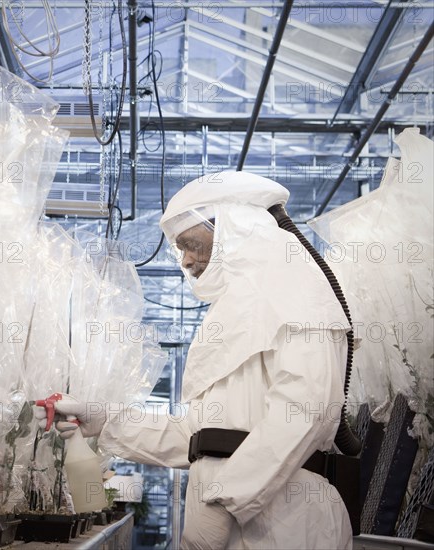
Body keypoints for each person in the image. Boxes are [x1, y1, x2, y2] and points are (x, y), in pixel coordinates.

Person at [36, 171, 353, 549]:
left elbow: (304, 412)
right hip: (233, 514)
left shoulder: (299, 289)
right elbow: (199, 435)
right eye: (180, 248)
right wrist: (105, 421)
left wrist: (227, 503)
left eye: (191, 244)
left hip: (284, 524)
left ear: (233, 227)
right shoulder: (239, 307)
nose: (185, 260)